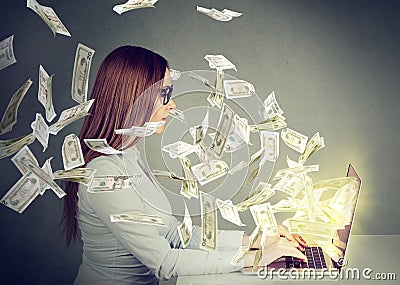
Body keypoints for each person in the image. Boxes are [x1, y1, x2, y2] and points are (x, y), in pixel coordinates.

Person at [61, 45, 307, 285]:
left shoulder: (129, 156)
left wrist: (257, 240)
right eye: (164, 94)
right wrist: (255, 259)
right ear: (134, 97)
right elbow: (165, 262)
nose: (173, 104)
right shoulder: (103, 176)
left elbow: (174, 235)